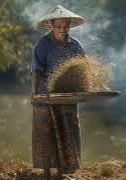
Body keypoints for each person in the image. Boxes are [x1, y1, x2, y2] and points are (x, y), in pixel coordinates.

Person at [30, 5, 86, 177]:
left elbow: (84, 69)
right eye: (59, 26)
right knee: (47, 135)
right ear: (52, 25)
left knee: (67, 132)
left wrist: (90, 86)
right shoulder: (42, 44)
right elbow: (36, 70)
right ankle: (47, 172)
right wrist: (34, 92)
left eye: (66, 26)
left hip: (68, 96)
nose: (63, 29)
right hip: (45, 95)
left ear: (70, 25)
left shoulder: (75, 45)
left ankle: (63, 172)